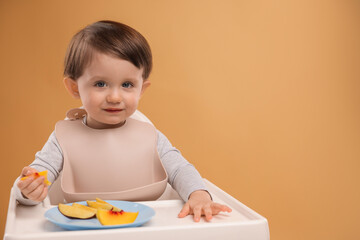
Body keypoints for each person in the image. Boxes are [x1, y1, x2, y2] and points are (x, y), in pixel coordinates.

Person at [14, 20, 231, 222]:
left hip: (147, 227)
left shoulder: (149, 136)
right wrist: (28, 191)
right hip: (84, 228)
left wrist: (199, 195)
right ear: (74, 87)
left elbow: (180, 169)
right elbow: (37, 177)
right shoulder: (62, 140)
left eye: (127, 85)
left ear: (141, 89)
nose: (115, 97)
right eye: (100, 84)